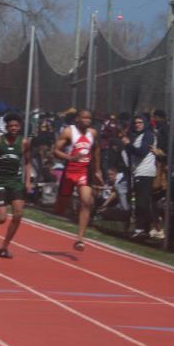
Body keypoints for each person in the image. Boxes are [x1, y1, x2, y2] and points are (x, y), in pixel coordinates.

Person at [0, 112, 31, 258]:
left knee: (18, 214)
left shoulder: (24, 143)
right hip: (0, 181)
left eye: (16, 126)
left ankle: (4, 246)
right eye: (10, 126)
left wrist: (28, 181)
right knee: (1, 219)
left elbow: (28, 162)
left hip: (15, 182)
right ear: (6, 127)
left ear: (20, 127)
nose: (13, 128)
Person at [53, 108, 101, 251]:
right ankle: (68, 208)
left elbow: (96, 150)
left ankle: (80, 239)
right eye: (84, 118)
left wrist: (97, 170)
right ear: (77, 119)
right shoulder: (69, 131)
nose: (87, 120)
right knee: (60, 209)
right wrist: (70, 157)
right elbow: (55, 151)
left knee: (86, 202)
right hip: (69, 172)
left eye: (89, 118)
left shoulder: (93, 133)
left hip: (83, 172)